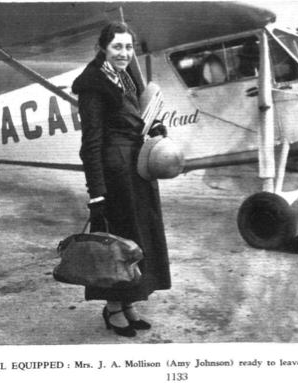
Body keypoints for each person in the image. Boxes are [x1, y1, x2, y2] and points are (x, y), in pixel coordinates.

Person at [71, 21, 171, 338]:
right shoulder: (93, 85)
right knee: (117, 244)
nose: (124, 53)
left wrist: (153, 129)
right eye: (117, 47)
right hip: (115, 178)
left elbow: (132, 118)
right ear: (103, 48)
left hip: (136, 172)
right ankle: (113, 308)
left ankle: (127, 303)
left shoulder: (123, 76)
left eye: (128, 47)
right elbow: (91, 145)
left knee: (136, 242)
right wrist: (97, 194)